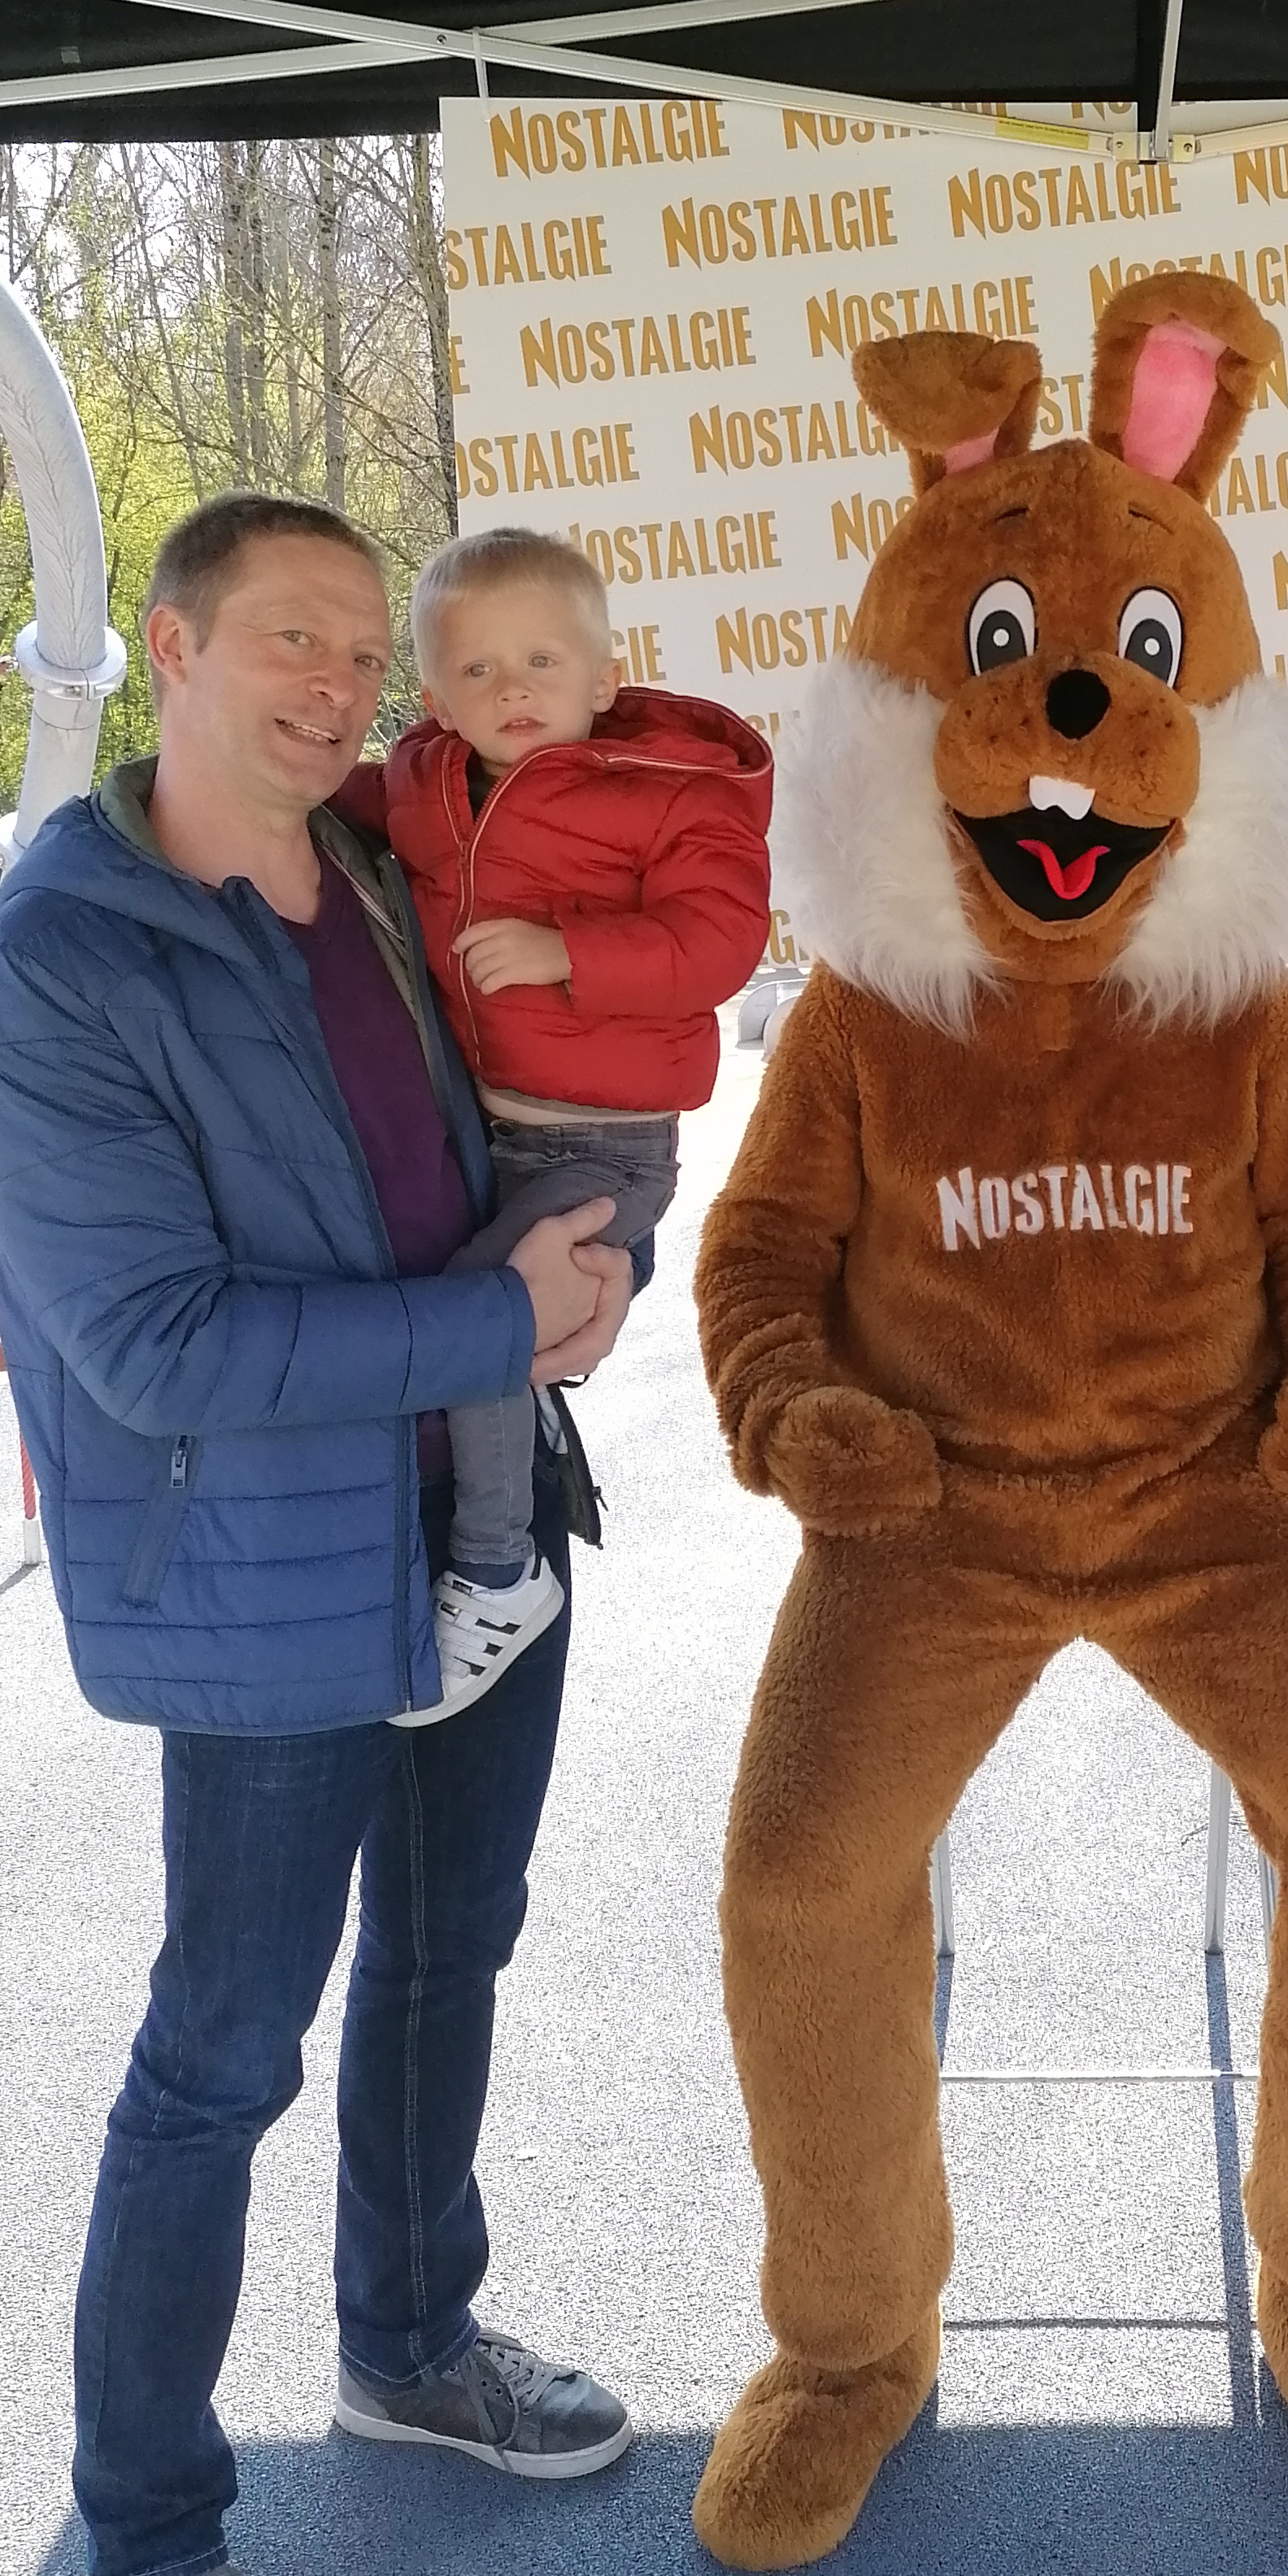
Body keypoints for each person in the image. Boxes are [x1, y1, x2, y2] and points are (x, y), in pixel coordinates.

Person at [0, 496, 638, 2576]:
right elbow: (155, 1344)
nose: (338, 686)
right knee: (225, 2049)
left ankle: (410, 2342)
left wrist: (593, 1272)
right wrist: (495, 1322)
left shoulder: (388, 873)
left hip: (482, 1509)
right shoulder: (66, 958)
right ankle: (151, 2537)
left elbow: (516, 1129)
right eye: (289, 638)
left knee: (450, 1960)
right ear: (172, 647)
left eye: (362, 649)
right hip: (267, 1582)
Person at [337, 526, 772, 1721]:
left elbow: (719, 941)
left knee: (482, 1311)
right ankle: (507, 1435)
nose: (511, 689)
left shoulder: (666, 792)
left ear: (603, 678)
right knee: (460, 1296)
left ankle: (498, 1568)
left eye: (540, 661)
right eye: (477, 670)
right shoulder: (430, 784)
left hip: (604, 1141)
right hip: (491, 1127)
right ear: (437, 699)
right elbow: (351, 803)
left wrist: (567, 953)